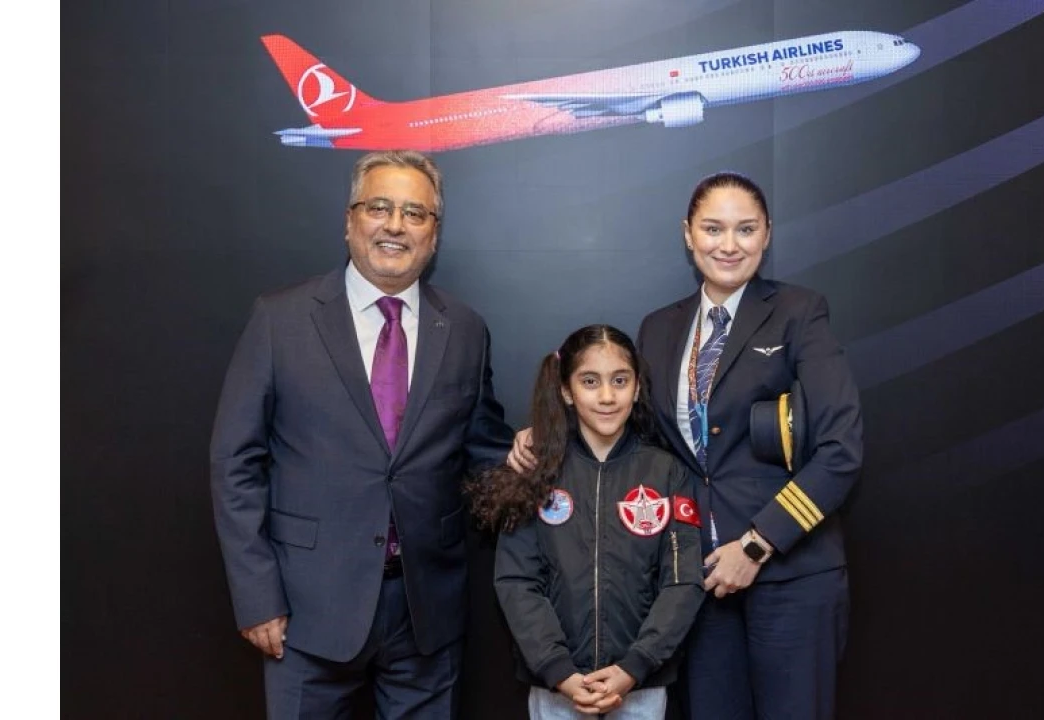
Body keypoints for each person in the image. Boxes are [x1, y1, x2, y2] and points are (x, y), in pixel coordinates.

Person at [510, 172, 863, 719]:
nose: (729, 244)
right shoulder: (660, 328)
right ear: (688, 234)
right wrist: (548, 429)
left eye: (745, 229)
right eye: (713, 228)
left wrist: (757, 545)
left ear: (767, 234)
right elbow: (634, 429)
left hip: (789, 574)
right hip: (700, 581)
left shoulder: (799, 312)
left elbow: (841, 450)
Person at [210, 150, 515, 719]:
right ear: (349, 221)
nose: (395, 225)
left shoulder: (465, 329)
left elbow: (484, 452)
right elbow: (236, 463)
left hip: (426, 612)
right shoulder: (280, 319)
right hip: (305, 609)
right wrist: (256, 595)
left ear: (434, 234)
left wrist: (538, 458)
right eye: (379, 207)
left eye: (414, 213)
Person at [473, 325, 705, 719]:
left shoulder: (667, 473)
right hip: (557, 685)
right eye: (590, 381)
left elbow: (683, 582)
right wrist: (558, 670)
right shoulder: (537, 472)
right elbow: (517, 582)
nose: (607, 396)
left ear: (637, 388)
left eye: (620, 380)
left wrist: (636, 664)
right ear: (566, 391)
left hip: (639, 683)